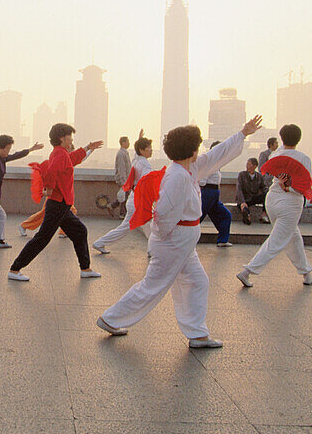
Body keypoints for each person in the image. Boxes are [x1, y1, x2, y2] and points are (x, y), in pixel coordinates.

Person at [96, 116, 263, 347]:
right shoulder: (178, 176)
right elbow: (164, 214)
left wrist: (242, 134)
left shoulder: (189, 168)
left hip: (181, 242)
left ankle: (197, 334)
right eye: (197, 147)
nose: (199, 151)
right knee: (153, 286)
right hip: (173, 242)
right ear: (191, 150)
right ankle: (110, 318)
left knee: (197, 281)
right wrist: (163, 239)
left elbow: (217, 155)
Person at [7, 123, 103, 282]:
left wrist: (87, 147)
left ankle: (85, 268)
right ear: (61, 138)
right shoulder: (60, 154)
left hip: (62, 204)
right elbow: (51, 172)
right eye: (69, 137)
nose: (71, 140)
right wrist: (49, 190)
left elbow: (72, 159)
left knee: (80, 231)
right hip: (58, 204)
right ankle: (15, 269)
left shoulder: (62, 153)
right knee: (42, 238)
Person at [237, 124, 312, 288]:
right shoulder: (303, 158)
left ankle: (306, 272)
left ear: (282, 138)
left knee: (293, 237)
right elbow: (305, 184)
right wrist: (290, 186)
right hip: (291, 202)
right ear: (299, 139)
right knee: (277, 240)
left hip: (272, 200)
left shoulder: (275, 154)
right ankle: (247, 271)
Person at [93, 134, 153, 254]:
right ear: (142, 150)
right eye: (149, 148)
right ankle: (100, 243)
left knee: (149, 227)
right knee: (129, 227)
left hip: (135, 199)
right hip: (138, 201)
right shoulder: (145, 164)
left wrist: (140, 138)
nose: (151, 150)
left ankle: (153, 250)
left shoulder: (137, 160)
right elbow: (146, 184)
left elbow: (136, 154)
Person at [198, 141, 232, 247]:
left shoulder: (217, 164)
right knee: (198, 217)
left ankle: (222, 240)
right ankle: (182, 238)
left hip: (214, 195)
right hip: (207, 193)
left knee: (225, 215)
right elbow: (202, 181)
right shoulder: (209, 164)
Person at [234, 157, 269, 225]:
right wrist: (243, 202)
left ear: (255, 166)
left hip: (253, 197)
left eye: (249, 164)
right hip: (244, 198)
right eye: (247, 164)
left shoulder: (259, 176)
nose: (247, 166)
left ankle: (264, 215)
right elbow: (239, 188)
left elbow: (264, 187)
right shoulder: (242, 174)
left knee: (266, 194)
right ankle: (247, 215)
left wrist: (268, 192)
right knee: (242, 206)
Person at [113, 135, 132, 212]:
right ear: (123, 143)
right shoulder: (121, 154)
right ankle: (121, 213)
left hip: (126, 179)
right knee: (124, 197)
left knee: (124, 197)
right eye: (128, 142)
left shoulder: (124, 153)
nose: (129, 143)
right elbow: (122, 168)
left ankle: (112, 207)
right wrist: (123, 181)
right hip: (124, 179)